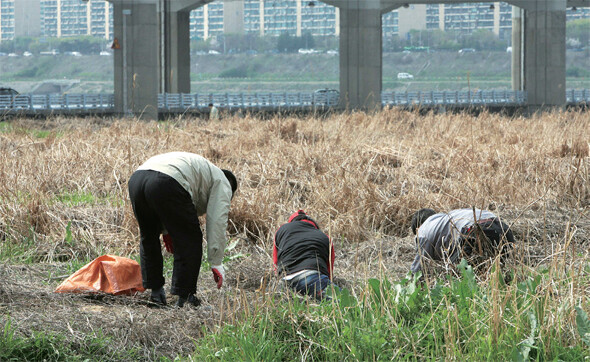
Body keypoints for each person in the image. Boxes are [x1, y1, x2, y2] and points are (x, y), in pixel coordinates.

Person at [128, 152, 238, 308]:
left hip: (137, 179)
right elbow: (217, 221)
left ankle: (156, 294)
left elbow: (170, 203)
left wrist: (167, 230)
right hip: (166, 181)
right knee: (190, 238)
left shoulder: (204, 172)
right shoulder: (224, 182)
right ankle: (185, 298)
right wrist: (216, 261)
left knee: (149, 235)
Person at [410, 208, 514, 274]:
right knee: (497, 276)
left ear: (417, 229)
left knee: (457, 276)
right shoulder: (447, 218)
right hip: (503, 228)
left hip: (474, 230)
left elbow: (419, 267)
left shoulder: (423, 230)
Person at [273, 210, 337, 301]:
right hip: (312, 278)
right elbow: (329, 269)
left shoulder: (281, 230)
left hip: (284, 283)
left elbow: (275, 263)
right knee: (345, 302)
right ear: (313, 224)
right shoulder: (324, 237)